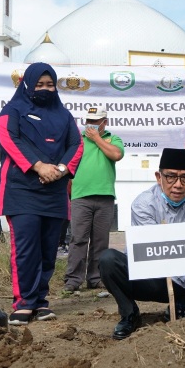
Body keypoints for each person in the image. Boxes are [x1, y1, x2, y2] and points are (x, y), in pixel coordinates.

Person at [99, 148, 185, 340]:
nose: (178, 185)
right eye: (171, 177)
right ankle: (129, 313)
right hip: (151, 277)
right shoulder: (143, 204)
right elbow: (162, 256)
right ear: (159, 177)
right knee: (108, 260)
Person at [0, 63, 83, 325]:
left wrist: (62, 169)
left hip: (55, 190)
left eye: (50, 85)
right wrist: (38, 166)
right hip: (21, 190)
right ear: (27, 85)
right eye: (39, 85)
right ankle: (23, 302)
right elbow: (8, 139)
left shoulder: (64, 115)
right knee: (25, 249)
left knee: (48, 250)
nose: (45, 89)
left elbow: (76, 144)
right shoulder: (12, 111)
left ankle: (41, 301)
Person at [63, 107, 124, 292]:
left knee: (100, 240)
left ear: (105, 122)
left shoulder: (113, 139)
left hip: (105, 196)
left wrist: (97, 139)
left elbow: (116, 154)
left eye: (96, 121)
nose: (91, 124)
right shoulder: (77, 139)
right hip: (80, 196)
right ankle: (73, 279)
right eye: (89, 120)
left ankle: (96, 277)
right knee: (78, 238)